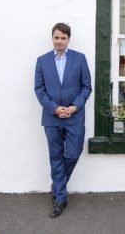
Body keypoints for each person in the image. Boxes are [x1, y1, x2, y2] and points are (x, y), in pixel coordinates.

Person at [34, 23, 92, 218]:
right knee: (55, 157)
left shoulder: (80, 59)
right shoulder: (42, 61)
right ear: (52, 38)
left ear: (68, 39)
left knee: (73, 153)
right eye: (56, 38)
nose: (59, 41)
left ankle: (57, 185)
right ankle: (60, 198)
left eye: (63, 38)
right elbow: (39, 89)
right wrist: (54, 108)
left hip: (74, 117)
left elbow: (86, 87)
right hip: (52, 118)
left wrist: (75, 106)